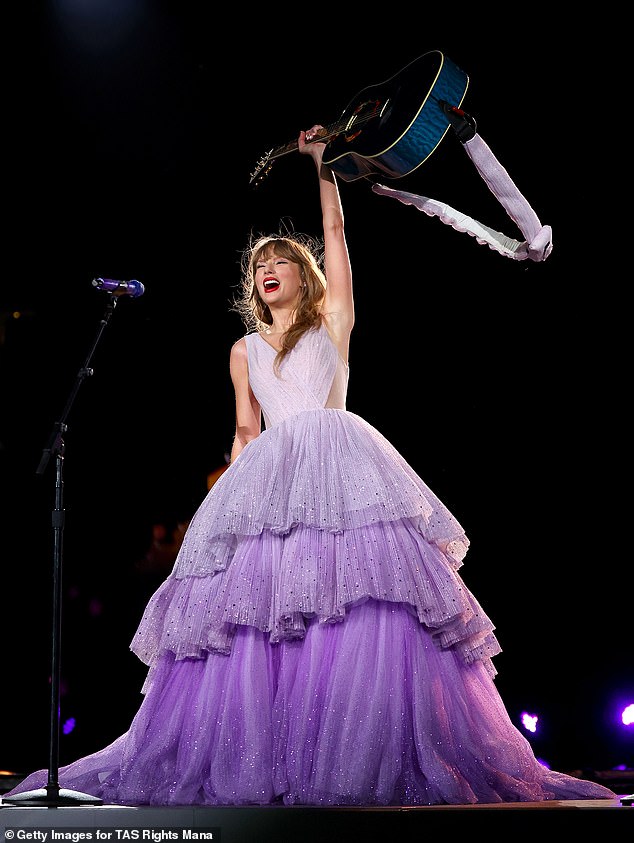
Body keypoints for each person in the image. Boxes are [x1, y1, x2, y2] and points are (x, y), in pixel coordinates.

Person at [2, 127, 617, 807]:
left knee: (352, 611)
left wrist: (325, 167)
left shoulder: (333, 324)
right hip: (270, 485)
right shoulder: (243, 351)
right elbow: (243, 431)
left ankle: (351, 756)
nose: (268, 266)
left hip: (342, 476)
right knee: (267, 623)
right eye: (260, 261)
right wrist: (222, 518)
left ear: (305, 275)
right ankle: (270, 759)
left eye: (282, 259)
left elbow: (335, 229)